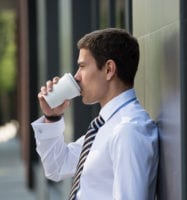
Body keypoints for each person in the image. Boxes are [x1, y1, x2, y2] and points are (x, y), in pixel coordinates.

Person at [31, 28, 159, 200]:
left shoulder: (128, 131)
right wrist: (52, 117)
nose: (76, 77)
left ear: (108, 69)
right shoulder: (106, 126)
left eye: (82, 66)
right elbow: (58, 167)